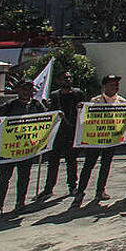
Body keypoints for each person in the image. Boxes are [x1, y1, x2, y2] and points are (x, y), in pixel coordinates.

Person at [0, 79, 48, 219]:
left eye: (29, 89)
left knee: (23, 178)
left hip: (26, 149)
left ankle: (20, 203)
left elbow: (46, 120)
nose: (26, 92)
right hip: (9, 150)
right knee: (3, 178)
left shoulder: (37, 105)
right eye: (23, 89)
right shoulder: (9, 105)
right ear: (18, 90)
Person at [72, 74, 126, 206]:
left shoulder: (122, 102)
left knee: (106, 165)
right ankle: (80, 192)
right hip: (95, 140)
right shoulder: (95, 101)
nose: (115, 86)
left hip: (110, 139)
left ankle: (100, 190)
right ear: (105, 86)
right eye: (112, 84)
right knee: (88, 166)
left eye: (116, 84)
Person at [36, 71, 84, 201]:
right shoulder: (54, 95)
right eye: (64, 78)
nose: (67, 80)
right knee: (53, 163)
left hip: (71, 133)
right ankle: (48, 188)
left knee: (71, 162)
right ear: (59, 81)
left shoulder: (77, 93)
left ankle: (73, 185)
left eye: (69, 77)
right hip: (56, 134)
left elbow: (83, 111)